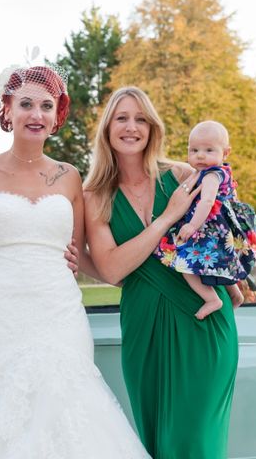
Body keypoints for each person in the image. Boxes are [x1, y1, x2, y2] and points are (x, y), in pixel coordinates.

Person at [0, 66, 150, 458]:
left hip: (59, 314)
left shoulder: (70, 177)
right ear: (8, 111)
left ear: (56, 116)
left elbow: (80, 255)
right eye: (26, 104)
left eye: (46, 106)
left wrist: (138, 276)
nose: (36, 114)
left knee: (70, 412)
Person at [83, 86, 238, 458]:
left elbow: (223, 231)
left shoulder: (183, 174)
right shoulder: (95, 196)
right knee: (158, 444)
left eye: (140, 119)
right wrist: (168, 217)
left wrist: (234, 279)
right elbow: (112, 267)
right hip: (143, 325)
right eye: (122, 118)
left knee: (197, 442)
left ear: (152, 128)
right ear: (107, 129)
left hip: (203, 321)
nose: (131, 127)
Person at [153, 120, 256, 319]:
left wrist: (192, 225)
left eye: (209, 150)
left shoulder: (211, 175)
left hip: (208, 228)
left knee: (184, 263)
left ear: (225, 153)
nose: (200, 155)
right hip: (219, 230)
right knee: (220, 261)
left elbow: (208, 201)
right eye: (194, 150)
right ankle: (235, 293)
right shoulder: (217, 171)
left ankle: (211, 299)